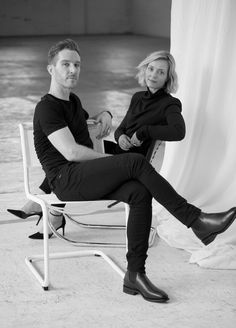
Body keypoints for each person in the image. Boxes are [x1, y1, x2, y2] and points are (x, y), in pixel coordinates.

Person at [10, 39, 236, 303]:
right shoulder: (47, 107)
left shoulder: (72, 102)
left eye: (77, 65)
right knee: (133, 161)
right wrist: (109, 159)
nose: (72, 70)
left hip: (84, 176)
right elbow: (71, 152)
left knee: (139, 192)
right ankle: (196, 220)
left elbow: (87, 120)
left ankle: (135, 275)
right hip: (64, 179)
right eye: (65, 64)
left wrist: (105, 113)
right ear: (51, 69)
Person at [8, 50, 185, 224]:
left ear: (168, 78)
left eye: (161, 72)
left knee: (78, 151)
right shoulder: (138, 98)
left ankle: (47, 208)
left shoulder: (169, 104)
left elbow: (178, 132)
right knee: (78, 147)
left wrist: (145, 131)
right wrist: (113, 124)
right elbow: (119, 129)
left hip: (133, 161)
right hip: (117, 153)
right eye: (151, 68)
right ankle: (51, 211)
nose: (153, 75)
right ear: (145, 69)